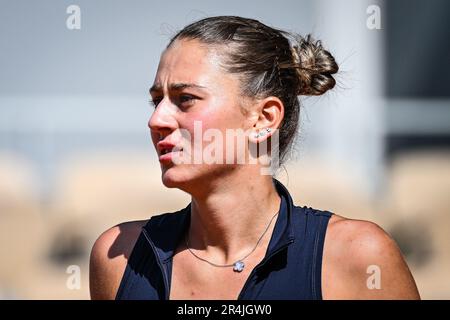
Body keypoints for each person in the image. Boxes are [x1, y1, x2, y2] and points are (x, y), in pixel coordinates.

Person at [89, 16, 420, 300]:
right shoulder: (121, 257)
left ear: (263, 118)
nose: (156, 120)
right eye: (156, 100)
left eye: (185, 98)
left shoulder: (357, 256)